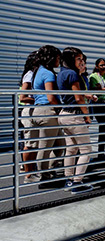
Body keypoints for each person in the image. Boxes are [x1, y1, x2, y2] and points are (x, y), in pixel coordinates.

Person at [57, 47, 94, 194]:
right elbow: (78, 98)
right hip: (74, 115)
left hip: (64, 114)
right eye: (78, 59)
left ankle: (69, 180)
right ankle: (77, 182)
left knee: (71, 149)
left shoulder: (61, 74)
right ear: (71, 59)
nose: (81, 61)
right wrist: (87, 116)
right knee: (86, 149)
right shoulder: (72, 74)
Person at [31, 45, 62, 179]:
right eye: (58, 57)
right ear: (51, 58)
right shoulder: (48, 74)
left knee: (60, 144)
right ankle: (44, 174)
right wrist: (61, 108)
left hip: (37, 110)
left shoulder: (37, 71)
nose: (59, 61)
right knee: (46, 146)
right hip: (47, 111)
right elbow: (51, 97)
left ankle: (49, 168)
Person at [19, 51, 40, 183]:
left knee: (33, 143)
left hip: (32, 110)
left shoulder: (35, 74)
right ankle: (28, 174)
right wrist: (38, 99)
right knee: (29, 143)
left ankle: (31, 171)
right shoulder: (30, 74)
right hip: (29, 111)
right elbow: (22, 96)